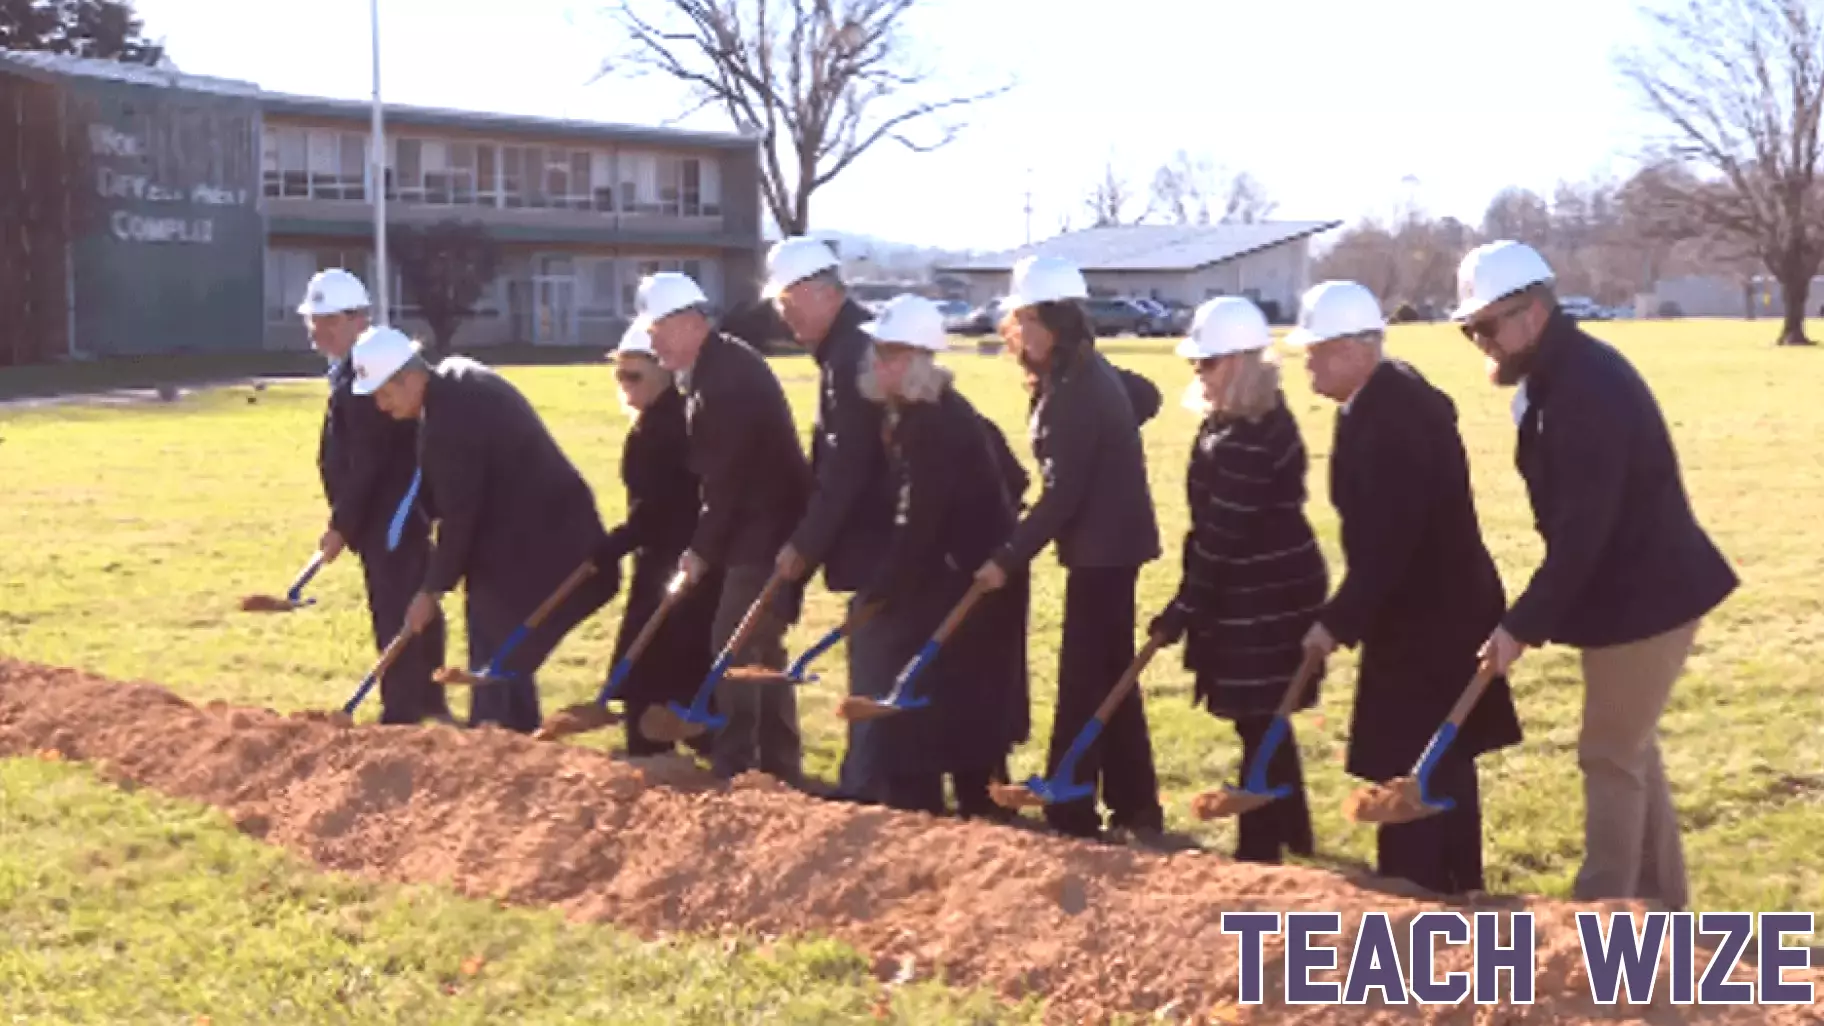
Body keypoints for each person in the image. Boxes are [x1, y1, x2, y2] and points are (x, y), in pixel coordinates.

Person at [1453, 242, 1737, 911]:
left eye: (1487, 327)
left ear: (1534, 311)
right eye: (1470, 331)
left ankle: (1602, 913)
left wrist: (1521, 625)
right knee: (1631, 749)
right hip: (1626, 594)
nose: (1481, 343)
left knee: (1609, 756)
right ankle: (1662, 907)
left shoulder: (1587, 389)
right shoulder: (1555, 380)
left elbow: (1585, 532)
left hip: (1648, 599)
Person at [1292, 279, 1523, 897]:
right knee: (1430, 749)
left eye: (1315, 351)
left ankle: (1419, 886)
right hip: (1423, 608)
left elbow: (1391, 541)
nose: (1307, 363)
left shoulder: (1391, 417)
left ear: (1352, 350)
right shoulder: (1378, 401)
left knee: (1415, 749)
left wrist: (1337, 621)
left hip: (1432, 615)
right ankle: (1450, 881)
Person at [975, 254, 1166, 844]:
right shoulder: (1086, 375)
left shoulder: (1076, 392)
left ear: (1052, 323)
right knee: (1111, 676)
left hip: (1104, 551)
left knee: (1083, 677)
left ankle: (1071, 802)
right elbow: (1148, 395)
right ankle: (1136, 804)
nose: (1015, 331)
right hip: (1113, 544)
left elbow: (1061, 497)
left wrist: (1006, 558)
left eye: (1025, 319)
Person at [350, 326, 620, 735]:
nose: (381, 406)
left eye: (384, 394)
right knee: (497, 640)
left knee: (496, 638)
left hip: (549, 543)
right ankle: (509, 734)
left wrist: (430, 591)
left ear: (408, 377)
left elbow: (460, 518)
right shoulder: (455, 383)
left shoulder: (450, 422)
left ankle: (498, 738)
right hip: (524, 536)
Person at [1147, 296, 1328, 865]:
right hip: (1248, 588)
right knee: (1263, 717)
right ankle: (1290, 829)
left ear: (1239, 362)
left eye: (1206, 363)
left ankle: (1261, 843)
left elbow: (1224, 533)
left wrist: (1185, 608)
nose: (1197, 373)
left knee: (1259, 718)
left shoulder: (1252, 433)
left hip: (1266, 595)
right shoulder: (1232, 420)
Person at [850, 295, 1030, 817]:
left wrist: (879, 590)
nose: (874, 363)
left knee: (967, 697)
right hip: (957, 570)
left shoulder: (931, 425)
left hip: (978, 580)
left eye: (885, 354)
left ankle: (971, 812)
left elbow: (917, 525)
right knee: (948, 695)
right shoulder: (931, 411)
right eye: (876, 351)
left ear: (913, 363)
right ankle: (940, 801)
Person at [635, 271, 814, 788]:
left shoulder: (725, 383)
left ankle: (736, 763)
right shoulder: (715, 367)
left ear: (691, 323)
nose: (653, 342)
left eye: (659, 331)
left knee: (731, 645)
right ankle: (780, 765)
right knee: (760, 649)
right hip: (759, 526)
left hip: (766, 529)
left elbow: (727, 483)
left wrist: (699, 552)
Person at [763, 238, 900, 804]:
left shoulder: (852, 356)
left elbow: (850, 467)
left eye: (791, 299)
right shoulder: (845, 350)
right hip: (887, 536)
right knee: (881, 660)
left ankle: (870, 788)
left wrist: (805, 546)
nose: (783, 312)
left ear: (825, 293)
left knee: (877, 660)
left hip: (886, 539)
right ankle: (882, 782)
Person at [297, 269, 450, 725]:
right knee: (411, 602)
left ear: (358, 319)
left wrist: (341, 526)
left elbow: (368, 463)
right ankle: (426, 703)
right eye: (313, 320)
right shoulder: (349, 373)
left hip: (394, 516)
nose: (317, 330)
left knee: (398, 608)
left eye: (328, 321)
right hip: (381, 516)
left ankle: (405, 713)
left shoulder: (370, 377)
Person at [597, 323, 725, 759]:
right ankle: (676, 750)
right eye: (619, 375)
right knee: (666, 671)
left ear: (664, 373)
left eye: (635, 375)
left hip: (677, 565)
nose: (625, 385)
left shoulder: (666, 427)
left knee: (653, 671)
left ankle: (659, 757)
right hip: (667, 562)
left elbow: (659, 510)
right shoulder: (658, 419)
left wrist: (614, 544)